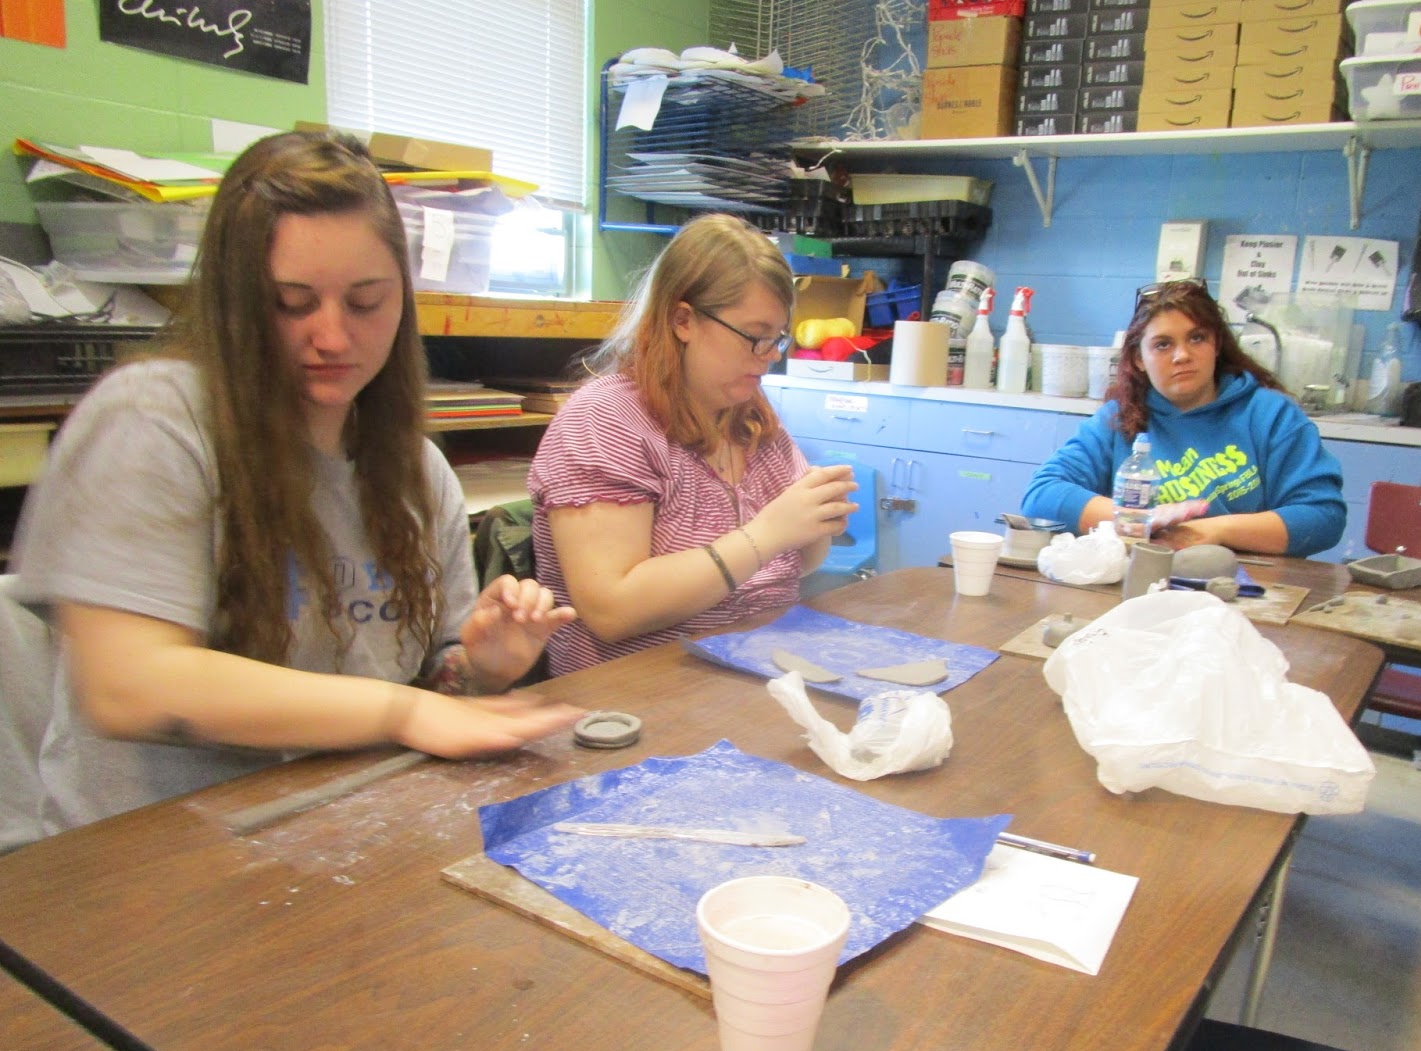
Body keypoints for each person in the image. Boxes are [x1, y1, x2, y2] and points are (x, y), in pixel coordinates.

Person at [9, 130, 582, 841]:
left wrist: (484, 668)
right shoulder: (154, 419)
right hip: (146, 862)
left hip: (335, 832)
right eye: (291, 303)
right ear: (236, 304)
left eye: (366, 302)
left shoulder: (415, 471)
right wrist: (398, 712)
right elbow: (128, 684)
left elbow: (439, 680)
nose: (333, 337)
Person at [528, 213, 858, 674]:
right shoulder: (606, 422)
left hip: (758, 673)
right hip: (638, 697)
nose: (768, 358)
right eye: (754, 338)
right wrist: (767, 534)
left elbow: (796, 566)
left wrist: (818, 520)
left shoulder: (749, 414)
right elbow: (611, 610)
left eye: (776, 339)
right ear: (684, 320)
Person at [1021, 279, 1346, 558]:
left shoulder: (1271, 415)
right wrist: (1141, 519)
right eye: (1163, 344)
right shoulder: (1119, 419)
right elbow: (1041, 497)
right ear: (1139, 359)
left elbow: (1322, 517)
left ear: (1217, 344)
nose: (1182, 355)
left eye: (1197, 338)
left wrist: (1212, 531)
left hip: (1247, 587)